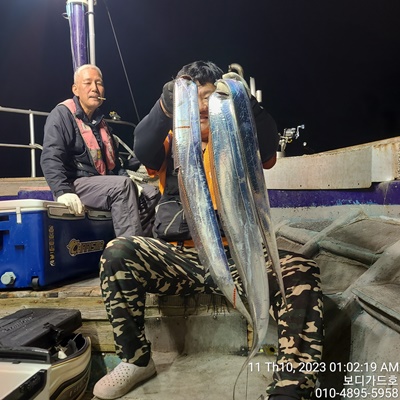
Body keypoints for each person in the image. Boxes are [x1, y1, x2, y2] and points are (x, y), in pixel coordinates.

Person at [93, 61, 324, 400]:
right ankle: (136, 360)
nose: (202, 106)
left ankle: (292, 386)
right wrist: (165, 105)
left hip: (238, 256)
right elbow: (142, 146)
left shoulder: (238, 136)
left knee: (301, 270)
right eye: (194, 97)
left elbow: (267, 147)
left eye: (209, 96)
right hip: (181, 258)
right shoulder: (172, 139)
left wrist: (246, 103)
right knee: (118, 252)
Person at [41, 64, 158, 237]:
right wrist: (62, 191)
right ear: (75, 89)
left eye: (99, 83)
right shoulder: (62, 115)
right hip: (76, 183)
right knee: (122, 186)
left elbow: (114, 166)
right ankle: (130, 249)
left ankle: (141, 244)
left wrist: (133, 183)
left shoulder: (102, 124)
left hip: (101, 184)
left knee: (151, 193)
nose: (95, 88)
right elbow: (51, 157)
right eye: (88, 83)